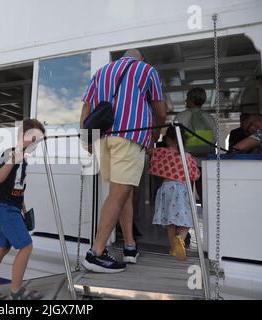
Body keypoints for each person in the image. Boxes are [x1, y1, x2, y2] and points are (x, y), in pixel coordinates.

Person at [80, 49, 167, 273]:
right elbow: (160, 111)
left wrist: (86, 139)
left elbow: (87, 107)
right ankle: (95, 253)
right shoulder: (147, 70)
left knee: (121, 192)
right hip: (130, 135)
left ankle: (129, 247)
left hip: (102, 139)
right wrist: (155, 133)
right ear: (142, 58)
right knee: (119, 193)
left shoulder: (101, 72)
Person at [0, 119, 45, 300]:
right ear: (22, 136)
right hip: (5, 208)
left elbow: (17, 186)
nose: (36, 143)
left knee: (2, 248)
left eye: (39, 140)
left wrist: (23, 207)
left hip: (13, 207)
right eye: (33, 138)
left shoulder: (25, 161)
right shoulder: (11, 153)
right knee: (26, 246)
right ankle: (16, 291)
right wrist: (13, 159)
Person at [149, 126, 200, 261]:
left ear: (168, 139)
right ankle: (181, 238)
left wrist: (153, 137)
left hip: (166, 189)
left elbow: (148, 151)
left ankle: (173, 249)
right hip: (181, 189)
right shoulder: (187, 156)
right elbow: (195, 175)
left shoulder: (162, 152)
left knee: (170, 222)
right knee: (188, 219)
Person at [174, 87, 215, 202]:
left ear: (191, 100)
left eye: (187, 98)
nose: (186, 101)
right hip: (205, 160)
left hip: (185, 160)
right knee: (204, 192)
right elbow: (214, 139)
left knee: (185, 192)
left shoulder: (181, 117)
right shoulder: (209, 118)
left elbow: (175, 138)